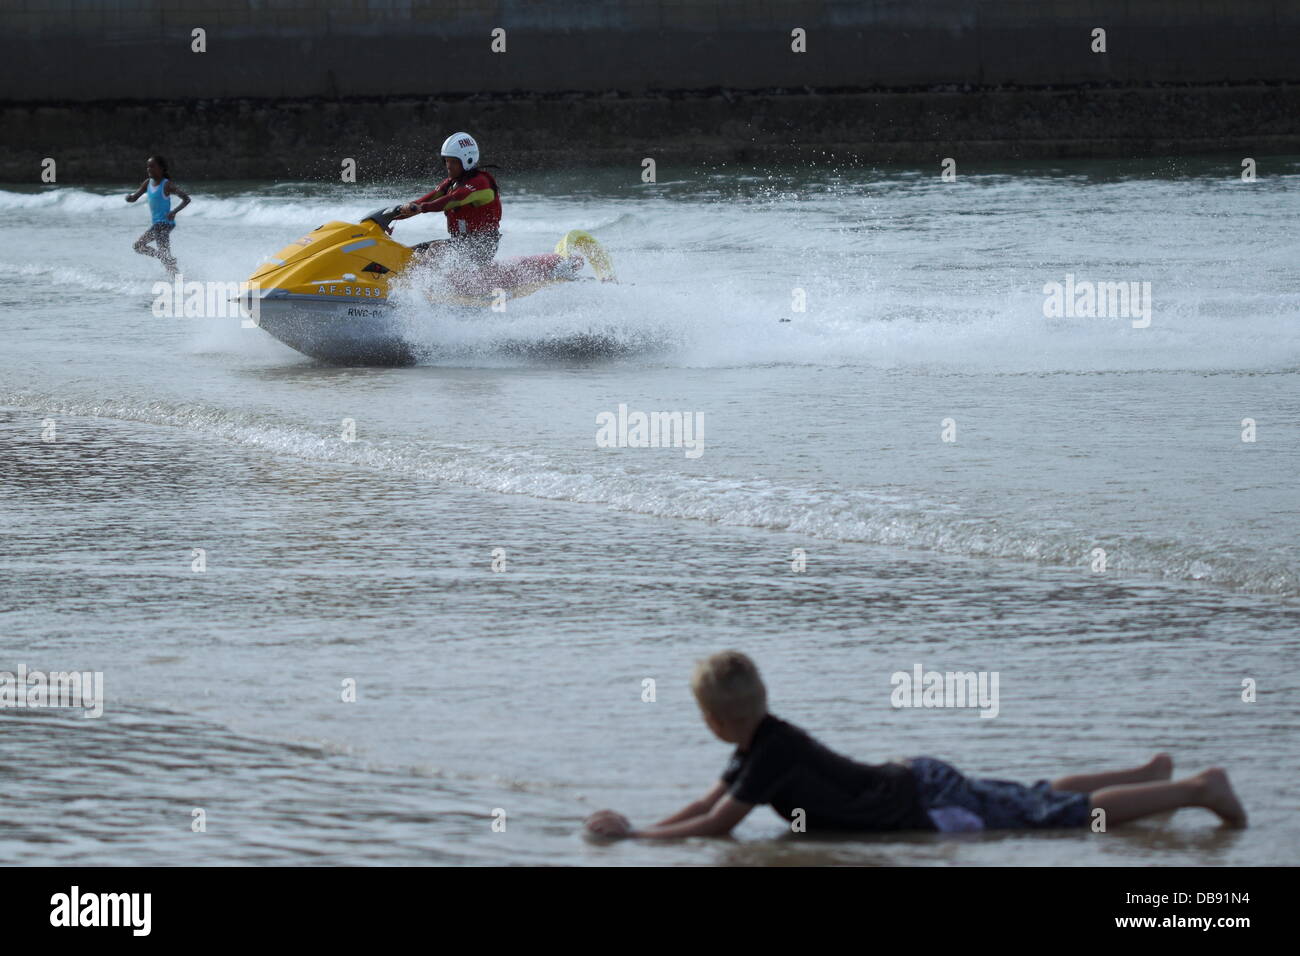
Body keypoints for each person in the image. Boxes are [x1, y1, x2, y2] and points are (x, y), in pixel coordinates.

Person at [584, 651, 1247, 839]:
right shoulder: (763, 744)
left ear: (714, 721)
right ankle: (1149, 771)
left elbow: (720, 825)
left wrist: (633, 837)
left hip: (929, 805)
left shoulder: (770, 753)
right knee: (1034, 795)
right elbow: (707, 804)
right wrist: (642, 827)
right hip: (921, 780)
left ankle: (1195, 789)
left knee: (1064, 817)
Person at [396, 132, 502, 269]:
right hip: (460, 243)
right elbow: (423, 200)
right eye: (446, 160)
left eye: (453, 162)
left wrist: (422, 208)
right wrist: (392, 217)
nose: (448, 166)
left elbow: (453, 199)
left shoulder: (481, 183)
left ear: (468, 160)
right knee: (410, 252)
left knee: (436, 249)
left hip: (483, 246)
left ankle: (426, 286)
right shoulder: (451, 183)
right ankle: (395, 281)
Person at [125, 155, 190, 276]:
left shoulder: (167, 185)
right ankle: (177, 277)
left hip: (164, 224)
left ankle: (176, 278)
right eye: (147, 167)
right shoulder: (147, 183)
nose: (149, 169)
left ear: (161, 168)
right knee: (142, 247)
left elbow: (186, 199)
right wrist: (129, 198)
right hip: (158, 224)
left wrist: (174, 211)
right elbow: (134, 197)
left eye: (152, 166)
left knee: (139, 246)